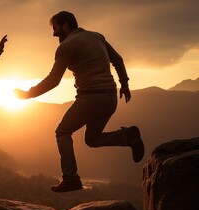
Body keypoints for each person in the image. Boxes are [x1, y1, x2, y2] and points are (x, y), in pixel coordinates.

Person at [14, 11, 144, 193]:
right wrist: (124, 84)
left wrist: (27, 95)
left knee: (62, 132)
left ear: (66, 24)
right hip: (110, 97)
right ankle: (126, 136)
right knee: (92, 139)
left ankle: (71, 178)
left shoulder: (66, 46)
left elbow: (53, 80)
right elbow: (118, 60)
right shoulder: (97, 37)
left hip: (90, 97)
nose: (54, 34)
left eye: (56, 28)